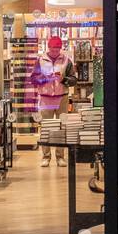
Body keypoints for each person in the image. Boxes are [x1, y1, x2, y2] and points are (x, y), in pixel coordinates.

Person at [31, 35, 76, 166]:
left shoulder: (67, 60)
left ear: (61, 48)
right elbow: (33, 79)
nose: (55, 51)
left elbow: (73, 80)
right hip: (45, 99)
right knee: (45, 127)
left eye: (57, 49)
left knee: (62, 126)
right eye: (53, 49)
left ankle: (60, 157)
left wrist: (63, 79)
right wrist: (44, 78)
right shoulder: (40, 60)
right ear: (48, 47)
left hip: (62, 98)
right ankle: (46, 156)